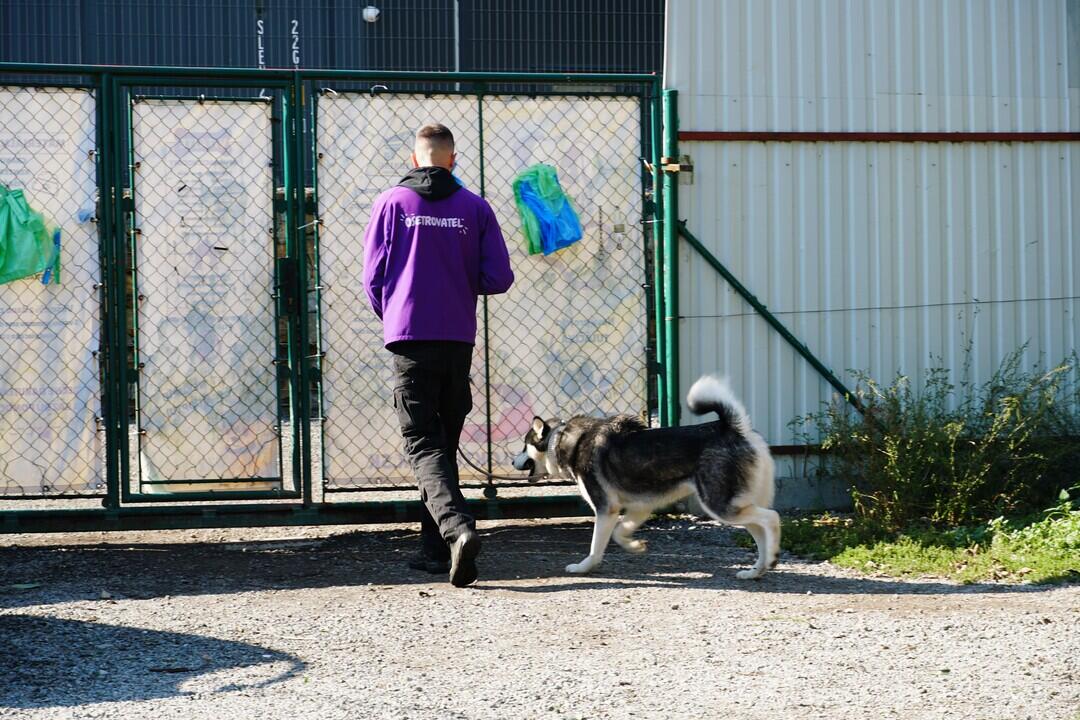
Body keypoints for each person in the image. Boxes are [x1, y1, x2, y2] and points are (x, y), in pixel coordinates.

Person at [362, 123, 514, 587]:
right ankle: (436, 550)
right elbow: (499, 278)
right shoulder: (475, 207)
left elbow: (373, 277)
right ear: (452, 159)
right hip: (457, 340)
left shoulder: (391, 203)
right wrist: (456, 275)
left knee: (423, 444)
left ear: (414, 159)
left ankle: (457, 530)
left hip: (409, 338)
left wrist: (394, 312)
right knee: (442, 443)